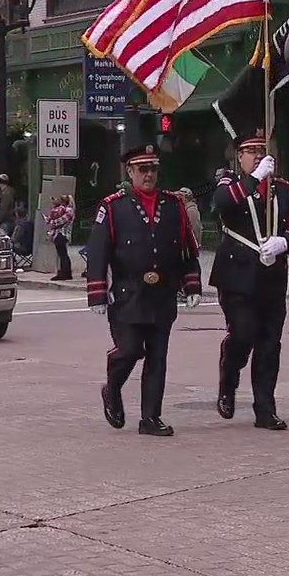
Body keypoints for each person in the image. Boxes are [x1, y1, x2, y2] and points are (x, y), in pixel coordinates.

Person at [87, 123, 202, 437]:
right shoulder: (113, 207)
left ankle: (151, 418)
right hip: (127, 293)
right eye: (141, 169)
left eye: (152, 168)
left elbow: (187, 250)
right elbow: (98, 252)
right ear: (129, 172)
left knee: (157, 357)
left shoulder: (174, 205)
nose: (148, 175)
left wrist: (191, 284)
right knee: (129, 350)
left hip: (162, 293)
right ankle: (112, 387)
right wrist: (97, 292)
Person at [210, 125, 289, 431]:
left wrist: (285, 242)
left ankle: (265, 408)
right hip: (237, 274)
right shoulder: (230, 183)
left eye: (261, 152)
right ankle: (229, 373)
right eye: (250, 152)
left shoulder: (284, 190)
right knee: (243, 334)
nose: (257, 156)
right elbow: (222, 205)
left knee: (269, 344)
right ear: (239, 157)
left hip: (272, 277)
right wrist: (253, 180)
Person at [45, 194, 75, 281]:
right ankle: (67, 273)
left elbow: (60, 221)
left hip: (62, 234)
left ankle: (64, 273)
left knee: (62, 254)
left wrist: (51, 221)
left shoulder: (68, 211)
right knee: (63, 254)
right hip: (61, 234)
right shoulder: (67, 210)